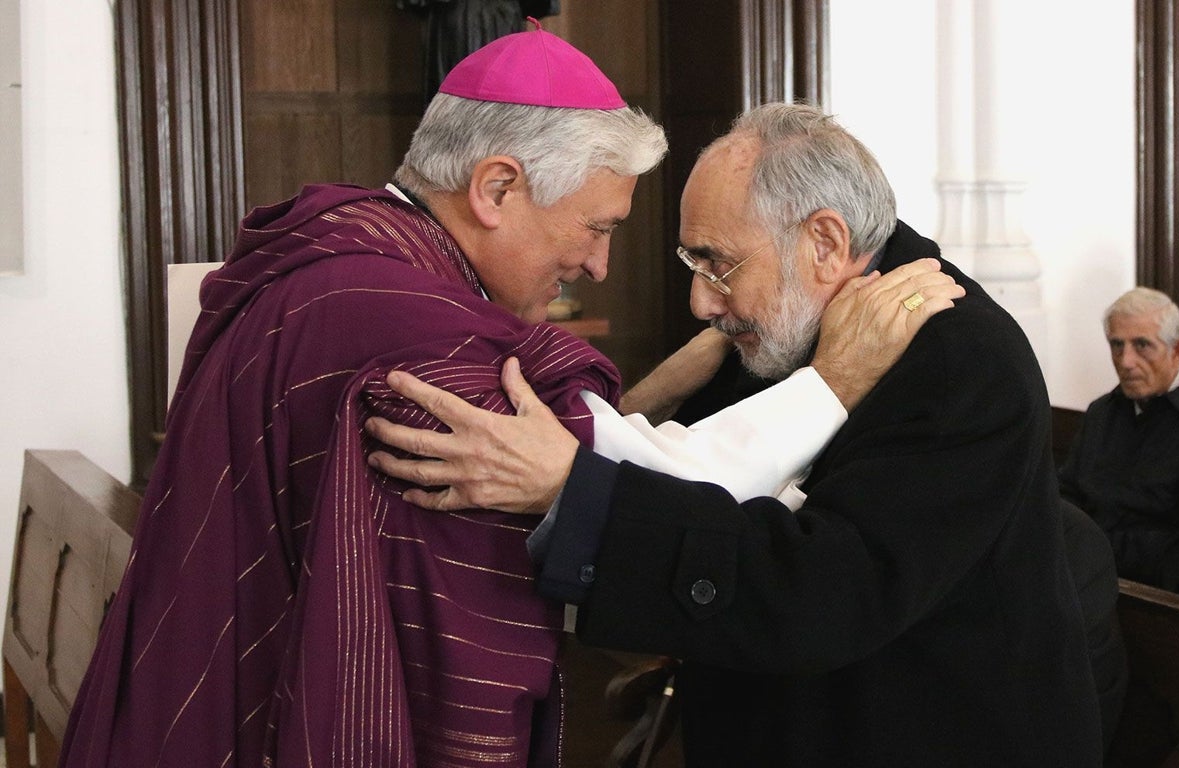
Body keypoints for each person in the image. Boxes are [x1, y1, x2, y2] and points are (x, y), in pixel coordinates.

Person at [59, 28, 955, 768]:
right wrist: (834, 385)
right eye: (597, 227)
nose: (599, 264)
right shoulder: (424, 336)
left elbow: (579, 456)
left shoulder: (338, 262)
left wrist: (664, 382)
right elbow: (632, 486)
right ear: (496, 188)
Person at [365, 103, 1104, 767]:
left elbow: (820, 594)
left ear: (824, 241)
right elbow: (684, 479)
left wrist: (571, 487)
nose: (700, 299)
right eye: (694, 262)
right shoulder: (779, 325)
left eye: (716, 263)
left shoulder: (960, 361)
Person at [1059, 287, 1179, 593]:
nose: (1126, 361)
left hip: (1162, 593)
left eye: (1142, 345)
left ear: (1178, 350)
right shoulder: (1102, 412)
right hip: (1087, 575)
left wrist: (1093, 544)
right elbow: (1067, 494)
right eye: (1117, 345)